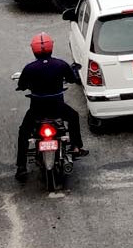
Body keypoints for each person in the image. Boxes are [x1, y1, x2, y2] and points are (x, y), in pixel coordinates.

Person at [15, 33, 88, 182]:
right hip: (57, 108)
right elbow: (73, 79)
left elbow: (21, 85)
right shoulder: (60, 65)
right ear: (51, 47)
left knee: (24, 132)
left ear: (33, 50)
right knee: (73, 117)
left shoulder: (29, 68)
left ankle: (21, 167)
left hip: (37, 111)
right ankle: (76, 147)